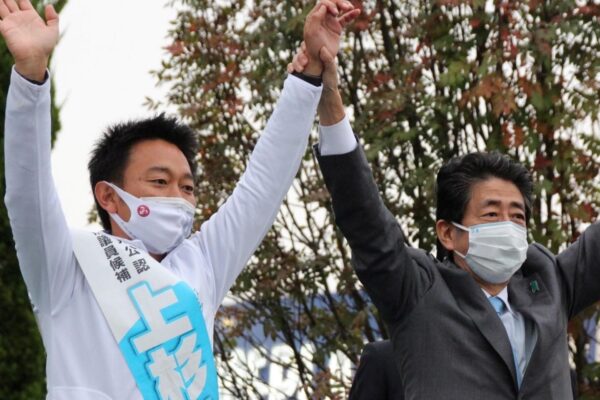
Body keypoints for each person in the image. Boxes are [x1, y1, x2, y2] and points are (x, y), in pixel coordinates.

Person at [1, 0, 359, 398]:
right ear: (109, 196)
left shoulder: (200, 264)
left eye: (187, 188)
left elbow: (264, 184)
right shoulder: (67, 268)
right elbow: (27, 192)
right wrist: (31, 77)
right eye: (159, 181)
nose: (178, 198)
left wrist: (308, 74)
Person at [291, 37, 599, 400]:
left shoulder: (549, 282)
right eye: (491, 213)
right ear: (448, 233)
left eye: (517, 216)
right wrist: (329, 96)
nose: (507, 225)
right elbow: (366, 223)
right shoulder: (419, 292)